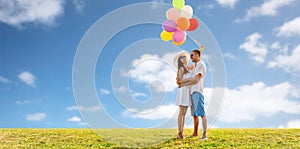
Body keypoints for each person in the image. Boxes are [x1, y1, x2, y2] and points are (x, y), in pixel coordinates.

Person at [177, 49, 208, 140]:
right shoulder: (195, 65)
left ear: (198, 55)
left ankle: (205, 134)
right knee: (195, 114)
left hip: (197, 91)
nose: (191, 57)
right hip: (191, 92)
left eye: (193, 55)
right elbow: (187, 69)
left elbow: (195, 80)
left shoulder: (201, 65)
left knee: (201, 113)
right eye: (190, 55)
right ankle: (195, 132)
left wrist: (182, 83)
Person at [174, 51, 192, 139]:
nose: (184, 58)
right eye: (182, 57)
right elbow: (179, 81)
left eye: (185, 57)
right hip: (182, 91)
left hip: (187, 91)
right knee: (181, 112)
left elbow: (196, 64)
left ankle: (182, 131)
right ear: (180, 61)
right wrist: (189, 81)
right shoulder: (181, 69)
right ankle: (179, 132)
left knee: (184, 113)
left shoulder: (187, 69)